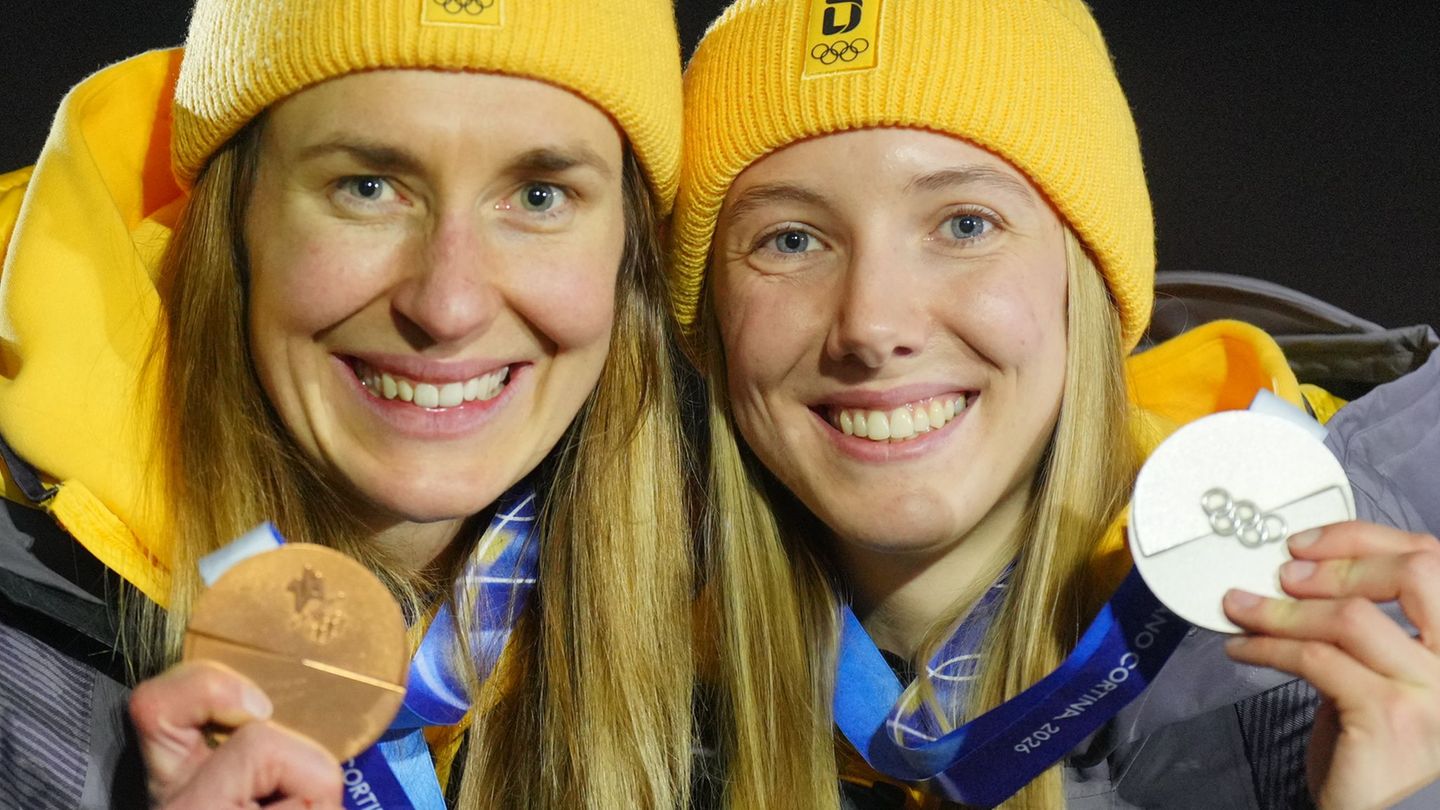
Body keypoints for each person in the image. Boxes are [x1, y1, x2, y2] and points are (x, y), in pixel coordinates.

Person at [669, 0, 1440, 807]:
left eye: (965, 224)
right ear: (712, 316)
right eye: (790, 239)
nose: (871, 324)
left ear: (1092, 284)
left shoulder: (1372, 642)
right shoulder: (612, 698)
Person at [0, 1, 693, 807]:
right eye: (367, 187)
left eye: (539, 196)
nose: (448, 304)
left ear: (630, 255)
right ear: (232, 223)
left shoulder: (718, 664)